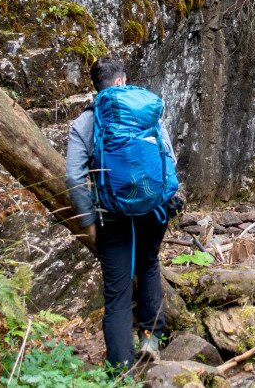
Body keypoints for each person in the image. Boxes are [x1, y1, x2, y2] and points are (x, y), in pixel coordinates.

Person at [65, 55, 179, 368]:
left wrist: (88, 219)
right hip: (153, 208)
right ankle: (151, 337)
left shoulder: (84, 123)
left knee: (116, 293)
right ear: (120, 81)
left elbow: (74, 177)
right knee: (149, 264)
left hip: (111, 215)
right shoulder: (144, 112)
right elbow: (167, 155)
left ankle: (121, 370)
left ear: (96, 87)